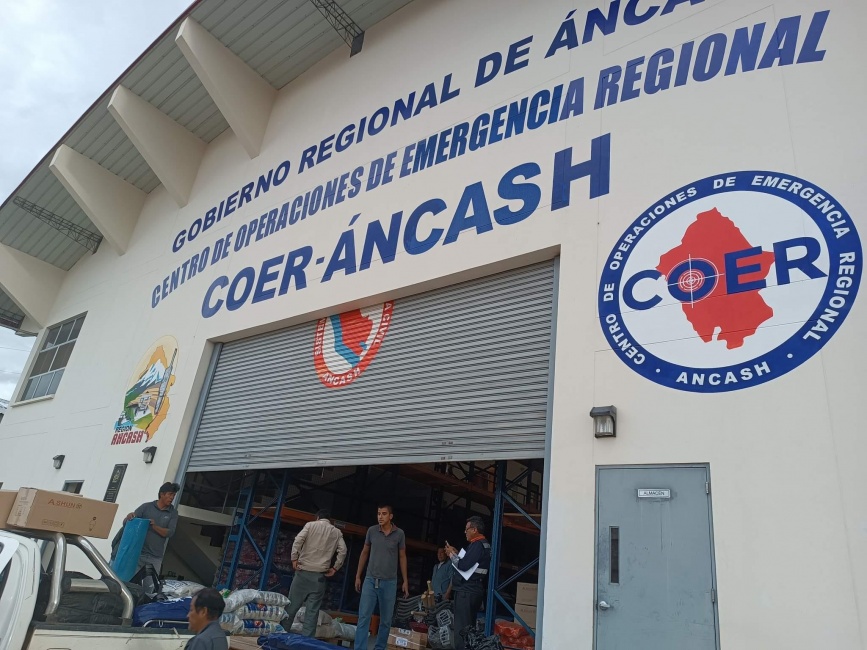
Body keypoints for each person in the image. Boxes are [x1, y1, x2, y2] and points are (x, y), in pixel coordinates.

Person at [282, 508, 348, 636]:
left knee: (291, 607)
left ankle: (282, 634)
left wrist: (294, 558)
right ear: (329, 520)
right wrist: (335, 568)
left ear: (317, 517)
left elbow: (298, 540)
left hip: (302, 573)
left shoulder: (310, 525)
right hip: (319, 577)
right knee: (312, 612)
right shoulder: (336, 532)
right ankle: (307, 642)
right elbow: (343, 551)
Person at [354, 505, 410, 650]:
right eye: (378, 513)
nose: (380, 516)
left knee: (386, 620)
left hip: (389, 582)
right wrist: (358, 576)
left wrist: (405, 580)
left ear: (391, 516)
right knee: (364, 617)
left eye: (384, 514)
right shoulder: (372, 531)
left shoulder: (399, 534)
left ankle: (379, 648)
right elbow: (364, 552)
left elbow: (402, 557)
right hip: (370, 580)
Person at [444, 516, 492, 650]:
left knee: (462, 630)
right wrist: (456, 552)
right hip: (474, 590)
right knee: (469, 628)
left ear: (474, 530)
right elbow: (471, 562)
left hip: (467, 591)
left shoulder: (477, 544)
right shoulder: (483, 544)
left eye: (467, 529)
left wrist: (451, 555)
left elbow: (464, 566)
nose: (465, 532)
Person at [124, 481, 180, 573]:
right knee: (131, 581)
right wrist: (129, 517)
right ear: (162, 494)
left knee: (151, 582)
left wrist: (154, 526)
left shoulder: (173, 513)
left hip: (155, 557)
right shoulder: (146, 507)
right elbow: (128, 524)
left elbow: (170, 533)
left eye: (174, 495)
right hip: (137, 554)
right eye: (170, 494)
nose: (172, 497)